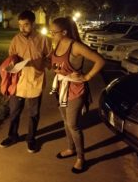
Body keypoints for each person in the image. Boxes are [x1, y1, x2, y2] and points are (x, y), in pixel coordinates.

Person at [49, 17, 105, 173]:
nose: (51, 35)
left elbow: (100, 61)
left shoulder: (76, 46)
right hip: (61, 88)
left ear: (64, 32)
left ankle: (81, 158)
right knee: (66, 122)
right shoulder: (58, 43)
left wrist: (86, 77)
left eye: (54, 32)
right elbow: (56, 63)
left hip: (76, 90)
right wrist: (57, 70)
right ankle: (70, 148)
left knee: (73, 124)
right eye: (51, 32)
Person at [0, 10, 52, 153]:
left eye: (26, 25)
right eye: (20, 25)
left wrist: (42, 64)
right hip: (19, 81)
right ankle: (12, 136)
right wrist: (11, 67)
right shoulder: (16, 39)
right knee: (14, 111)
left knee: (33, 113)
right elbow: (11, 58)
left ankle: (31, 139)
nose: (22, 28)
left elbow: (49, 59)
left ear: (33, 24)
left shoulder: (43, 39)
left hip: (36, 80)